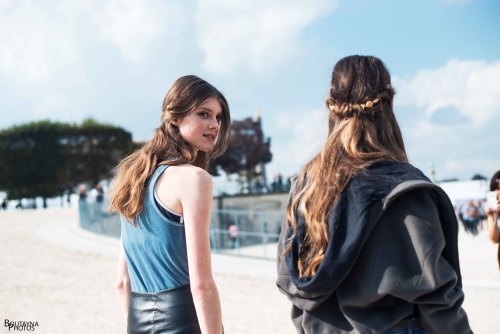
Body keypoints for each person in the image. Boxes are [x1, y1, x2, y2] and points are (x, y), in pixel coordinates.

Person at [276, 55, 472, 333]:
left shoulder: (305, 187)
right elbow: (437, 296)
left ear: (330, 106)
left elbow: (290, 282)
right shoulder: (407, 191)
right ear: (390, 103)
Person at [110, 75, 230, 334]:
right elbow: (202, 285)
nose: (214, 125)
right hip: (185, 320)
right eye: (204, 114)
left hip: (137, 321)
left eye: (218, 117)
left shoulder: (132, 177)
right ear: (174, 117)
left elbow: (122, 282)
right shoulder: (194, 179)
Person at [485, 170, 500, 270]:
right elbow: (494, 239)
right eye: (496, 188)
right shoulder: (495, 211)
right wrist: (494, 216)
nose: (498, 192)